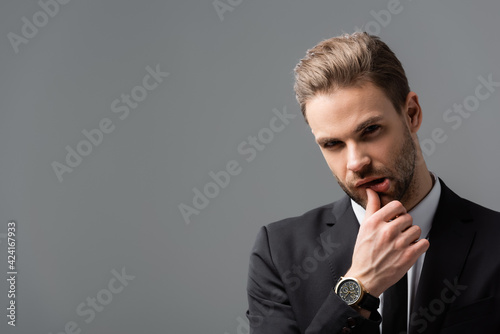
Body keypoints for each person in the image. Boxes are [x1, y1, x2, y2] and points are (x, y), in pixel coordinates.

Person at [246, 32, 500, 334]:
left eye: (370, 130)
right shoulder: (279, 253)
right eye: (332, 144)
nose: (355, 162)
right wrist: (359, 287)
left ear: (411, 114)